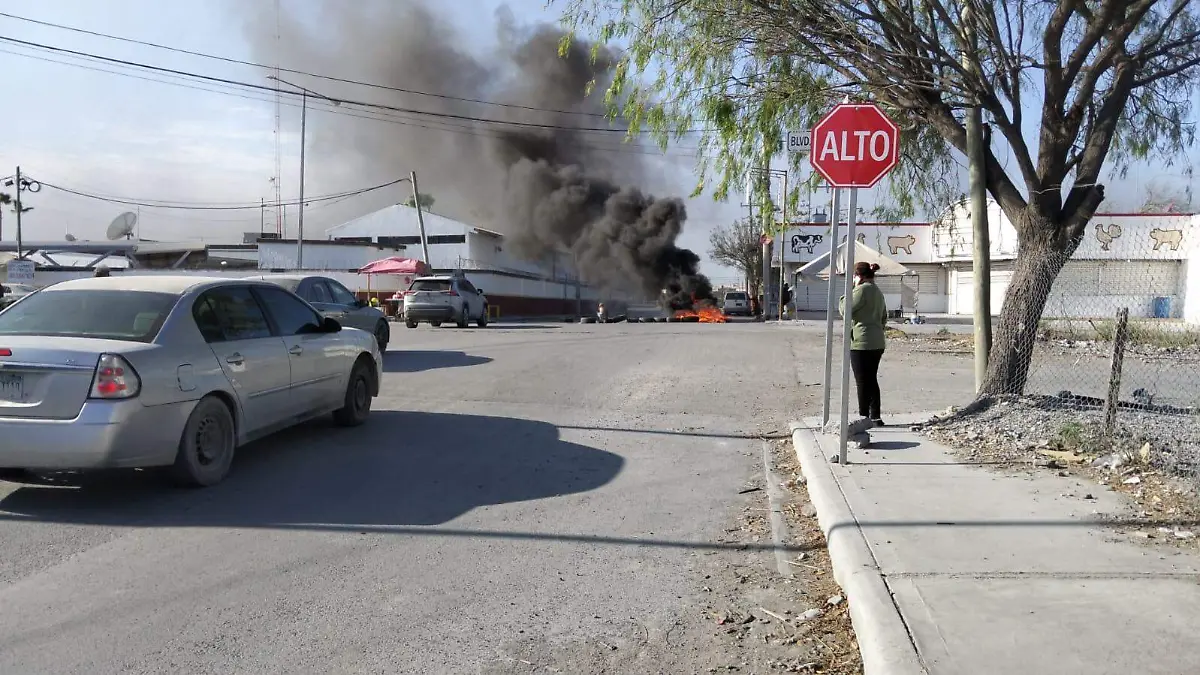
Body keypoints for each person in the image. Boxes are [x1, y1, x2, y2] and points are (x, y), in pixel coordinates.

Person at [839, 261, 887, 425]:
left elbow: (845, 309)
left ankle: (864, 416)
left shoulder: (861, 290)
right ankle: (876, 416)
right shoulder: (878, 291)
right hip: (877, 341)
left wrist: (851, 289)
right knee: (871, 378)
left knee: (862, 381)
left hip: (861, 342)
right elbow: (884, 317)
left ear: (858, 276)